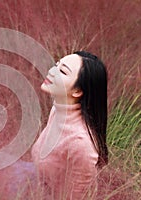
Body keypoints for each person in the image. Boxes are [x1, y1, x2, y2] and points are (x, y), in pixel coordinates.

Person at [31, 51, 109, 199]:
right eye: (56, 64)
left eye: (62, 71)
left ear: (77, 91)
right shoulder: (57, 110)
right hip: (34, 183)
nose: (52, 71)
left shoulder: (81, 145)